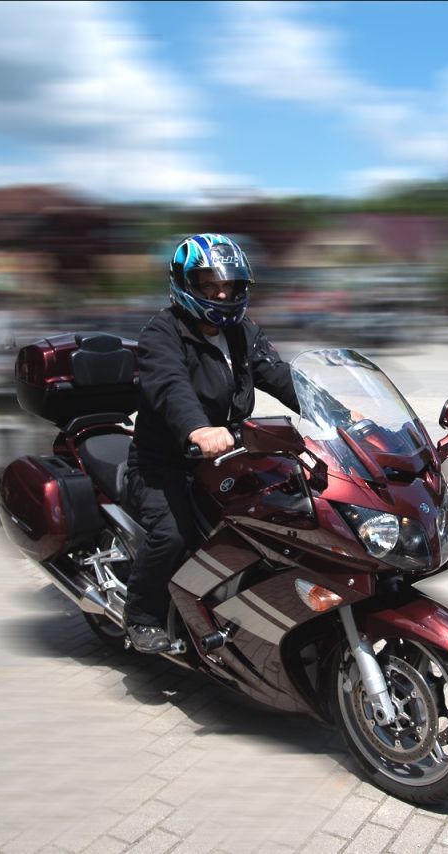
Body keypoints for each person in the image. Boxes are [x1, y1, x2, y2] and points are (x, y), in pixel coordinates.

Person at [124, 233, 300, 653]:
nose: (221, 294)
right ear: (186, 285)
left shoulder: (243, 332)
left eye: (229, 285)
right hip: (165, 462)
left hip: (227, 458)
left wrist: (338, 411)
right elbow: (171, 387)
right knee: (172, 534)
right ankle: (142, 616)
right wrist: (198, 429)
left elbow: (278, 374)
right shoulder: (162, 332)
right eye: (209, 285)